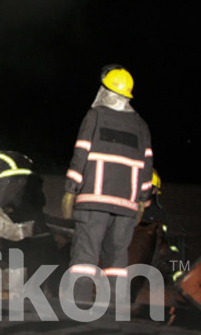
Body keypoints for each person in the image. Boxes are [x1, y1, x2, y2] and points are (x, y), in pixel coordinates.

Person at [61, 65, 153, 306]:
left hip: (94, 200)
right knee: (117, 258)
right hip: (127, 205)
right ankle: (114, 308)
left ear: (105, 90)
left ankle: (78, 305)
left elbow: (81, 153)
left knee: (85, 254)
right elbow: (147, 165)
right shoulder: (140, 125)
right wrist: (143, 201)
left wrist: (70, 189)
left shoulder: (96, 116)